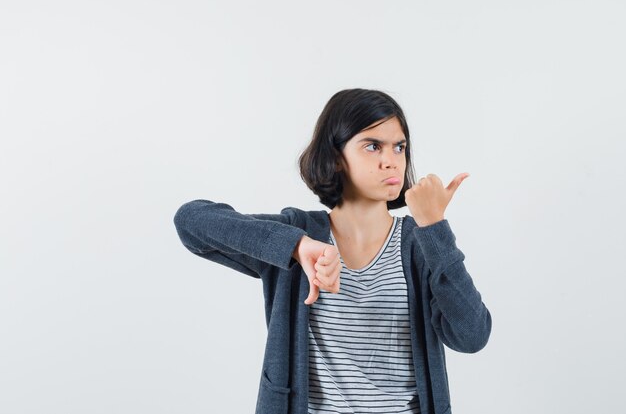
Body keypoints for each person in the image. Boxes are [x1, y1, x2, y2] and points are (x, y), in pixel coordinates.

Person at [173, 88, 492, 414]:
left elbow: (472, 336)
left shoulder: (418, 243)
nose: (390, 160)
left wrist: (433, 226)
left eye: (399, 147)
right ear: (337, 157)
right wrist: (295, 246)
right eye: (372, 146)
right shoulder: (299, 235)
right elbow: (191, 222)